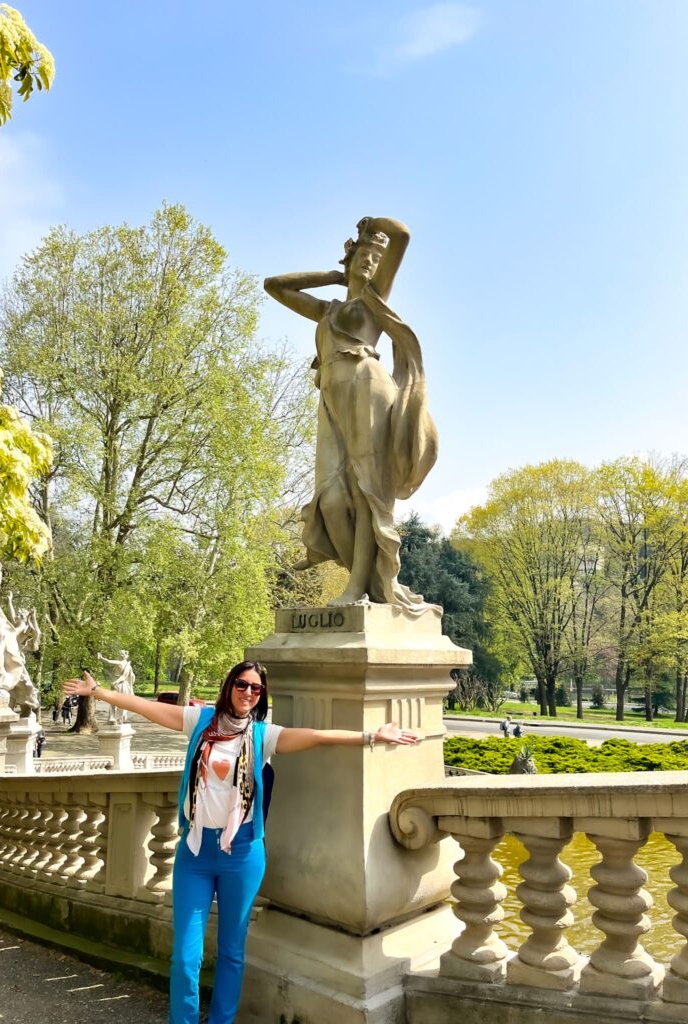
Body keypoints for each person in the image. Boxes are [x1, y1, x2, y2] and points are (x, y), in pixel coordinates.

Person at [63, 660, 417, 1024]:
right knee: (185, 957)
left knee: (232, 952)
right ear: (230, 685)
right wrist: (99, 693)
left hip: (243, 853)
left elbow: (317, 735)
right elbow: (148, 708)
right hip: (196, 852)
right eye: (242, 684)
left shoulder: (264, 735)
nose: (248, 692)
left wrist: (372, 736)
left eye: (256, 688)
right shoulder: (199, 723)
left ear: (261, 695)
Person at [264, 217, 437, 610]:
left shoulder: (375, 300)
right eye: (364, 254)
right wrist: (334, 275)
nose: (371, 262)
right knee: (331, 498)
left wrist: (375, 225)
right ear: (351, 258)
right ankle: (366, 579)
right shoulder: (328, 309)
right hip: (331, 397)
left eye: (378, 257)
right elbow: (275, 285)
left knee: (366, 491)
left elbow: (402, 235)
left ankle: (358, 586)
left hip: (367, 384)